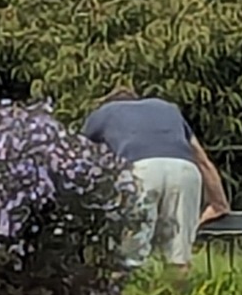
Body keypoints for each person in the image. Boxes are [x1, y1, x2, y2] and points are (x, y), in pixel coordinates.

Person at [81, 91, 231, 272]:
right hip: (184, 170)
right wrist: (219, 204)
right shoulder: (167, 108)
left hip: (139, 171)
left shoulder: (104, 113)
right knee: (178, 260)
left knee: (130, 259)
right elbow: (201, 159)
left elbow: (81, 160)